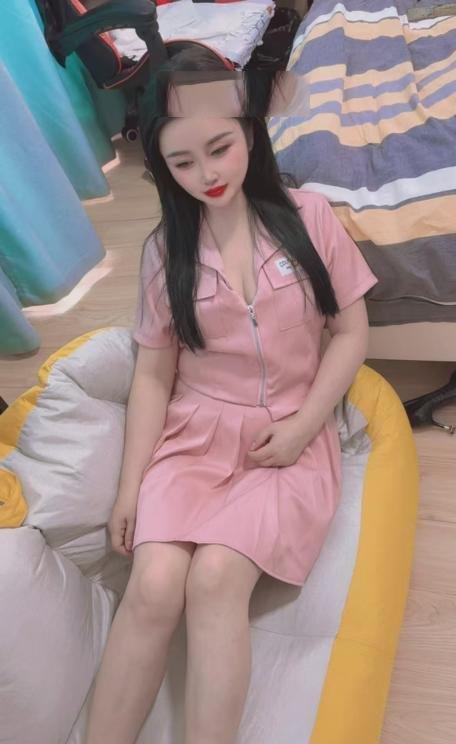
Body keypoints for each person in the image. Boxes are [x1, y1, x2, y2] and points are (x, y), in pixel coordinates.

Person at [85, 53, 378, 744]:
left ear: (249, 131)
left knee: (215, 578)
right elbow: (153, 375)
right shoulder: (165, 251)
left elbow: (351, 333)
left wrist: (304, 427)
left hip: (285, 440)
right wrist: (130, 488)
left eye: (219, 148)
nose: (207, 175)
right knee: (155, 584)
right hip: (192, 437)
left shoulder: (310, 218)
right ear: (163, 168)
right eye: (183, 163)